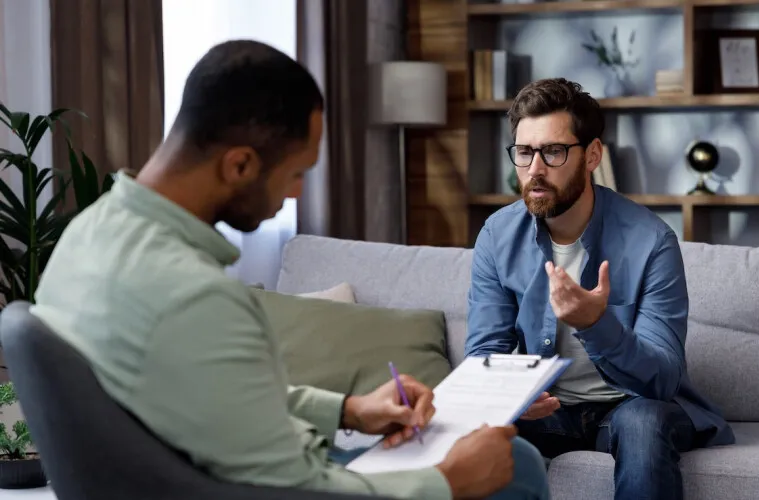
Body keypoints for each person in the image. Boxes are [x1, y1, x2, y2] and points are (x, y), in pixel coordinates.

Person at [30, 40, 550, 500]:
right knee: (517, 465)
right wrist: (448, 482)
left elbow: (210, 390)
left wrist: (348, 410)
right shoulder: (192, 295)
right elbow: (295, 489)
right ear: (239, 164)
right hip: (257, 485)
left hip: (196, 469)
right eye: (296, 172)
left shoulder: (87, 235)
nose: (297, 192)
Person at [464, 77, 736, 500]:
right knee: (471, 428)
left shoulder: (652, 242)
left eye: (553, 151)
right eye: (524, 152)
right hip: (547, 411)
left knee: (644, 422)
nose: (534, 169)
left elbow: (662, 380)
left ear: (592, 155)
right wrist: (509, 396)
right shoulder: (497, 235)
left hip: (628, 406)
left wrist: (596, 325)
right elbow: (484, 354)